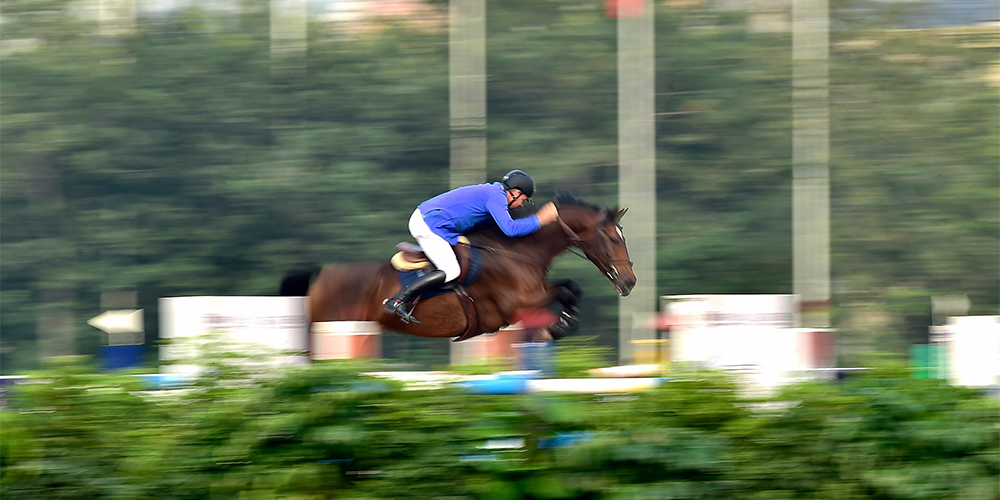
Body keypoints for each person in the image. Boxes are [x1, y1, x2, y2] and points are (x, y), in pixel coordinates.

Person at [383, 170, 560, 321]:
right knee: (452, 271)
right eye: (524, 199)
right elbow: (510, 229)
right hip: (428, 224)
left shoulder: (494, 194)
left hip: (436, 223)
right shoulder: (496, 197)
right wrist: (540, 220)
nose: (521, 204)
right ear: (515, 192)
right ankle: (398, 300)